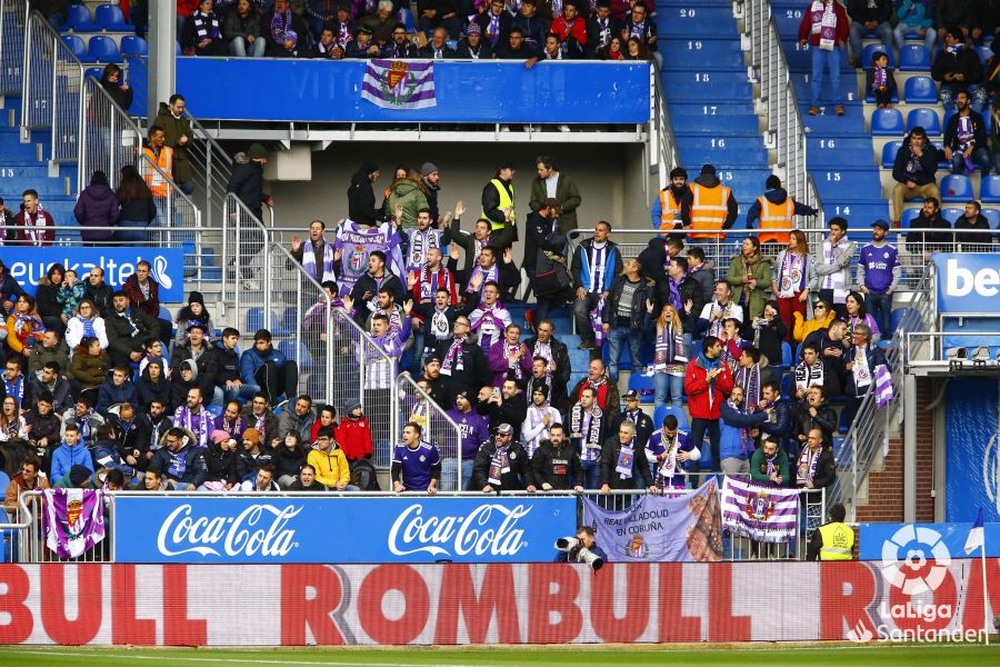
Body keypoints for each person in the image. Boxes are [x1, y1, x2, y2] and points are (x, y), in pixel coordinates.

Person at [684, 336, 734, 474]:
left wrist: (717, 380)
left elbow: (729, 388)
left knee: (717, 451)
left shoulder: (724, 366)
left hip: (717, 415)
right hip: (699, 415)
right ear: (709, 348)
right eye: (718, 346)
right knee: (695, 451)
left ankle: (715, 482)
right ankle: (693, 484)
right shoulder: (693, 365)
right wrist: (706, 381)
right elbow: (688, 389)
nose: (720, 348)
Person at [571, 221, 621, 350]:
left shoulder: (614, 250)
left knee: (607, 315)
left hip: (605, 293)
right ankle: (588, 340)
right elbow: (575, 269)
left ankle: (603, 346)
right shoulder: (583, 247)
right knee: (579, 310)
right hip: (586, 291)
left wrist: (609, 290)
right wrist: (579, 286)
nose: (597, 232)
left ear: (607, 234)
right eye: (596, 229)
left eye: (601, 230)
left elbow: (617, 274)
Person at [227, 143, 270, 290]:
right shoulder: (245, 169)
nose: (266, 161)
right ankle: (246, 275)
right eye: (265, 158)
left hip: (253, 213)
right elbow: (232, 188)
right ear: (259, 157)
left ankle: (238, 264)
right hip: (242, 214)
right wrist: (233, 210)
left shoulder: (255, 171)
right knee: (251, 242)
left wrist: (265, 198)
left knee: (260, 240)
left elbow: (251, 191)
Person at [798, 0, 849, 116]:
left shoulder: (838, 8)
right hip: (817, 46)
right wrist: (803, 37)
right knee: (816, 77)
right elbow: (806, 23)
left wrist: (842, 38)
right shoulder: (812, 7)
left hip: (833, 46)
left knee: (835, 77)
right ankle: (815, 105)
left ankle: (838, 104)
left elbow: (844, 25)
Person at [890, 126, 944, 225]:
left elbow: (932, 170)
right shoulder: (903, 150)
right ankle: (897, 222)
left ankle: (937, 223)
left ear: (924, 140)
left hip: (926, 185)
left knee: (935, 190)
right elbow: (896, 172)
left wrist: (920, 155)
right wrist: (906, 181)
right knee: (898, 189)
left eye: (919, 139)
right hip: (909, 186)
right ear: (910, 138)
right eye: (914, 138)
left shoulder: (931, 150)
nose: (916, 141)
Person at [856, 220, 900, 338]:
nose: (876, 231)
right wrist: (862, 286)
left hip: (885, 293)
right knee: (869, 326)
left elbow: (897, 272)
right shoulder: (866, 249)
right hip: (869, 293)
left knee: (886, 326)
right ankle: (870, 351)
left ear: (885, 233)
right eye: (875, 229)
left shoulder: (891, 250)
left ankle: (888, 352)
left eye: (879, 229)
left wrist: (891, 289)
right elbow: (860, 270)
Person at [746, 175, 819, 246]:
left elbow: (751, 213)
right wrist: (812, 211)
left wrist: (749, 224)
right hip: (785, 242)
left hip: (765, 242)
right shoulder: (789, 202)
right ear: (779, 186)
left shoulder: (761, 201)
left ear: (767, 186)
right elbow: (802, 208)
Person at [772, 229, 818, 342]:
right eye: (790, 238)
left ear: (800, 240)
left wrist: (807, 290)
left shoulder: (808, 258)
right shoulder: (782, 255)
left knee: (798, 324)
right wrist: (774, 288)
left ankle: (798, 350)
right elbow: (774, 271)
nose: (790, 241)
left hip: (799, 295)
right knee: (784, 323)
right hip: (783, 294)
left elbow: (814, 278)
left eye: (793, 238)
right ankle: (785, 349)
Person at [932, 27, 986, 113]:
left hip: (968, 84)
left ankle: (973, 118)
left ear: (957, 39)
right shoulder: (942, 54)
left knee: (981, 95)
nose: (946, 39)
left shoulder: (970, 53)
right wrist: (944, 77)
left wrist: (966, 77)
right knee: (944, 94)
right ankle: (956, 120)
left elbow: (978, 73)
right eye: (946, 36)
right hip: (949, 85)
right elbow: (934, 73)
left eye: (949, 36)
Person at [719, 385, 769, 476]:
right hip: (730, 456)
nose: (736, 397)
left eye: (739, 395)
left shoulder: (743, 412)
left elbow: (746, 419)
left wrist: (750, 434)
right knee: (729, 489)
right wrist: (764, 415)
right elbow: (742, 420)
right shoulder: (725, 408)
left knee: (744, 489)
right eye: (733, 394)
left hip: (744, 457)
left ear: (744, 398)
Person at [239, 328, 298, 404]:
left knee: (291, 364)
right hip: (259, 386)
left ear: (269, 342)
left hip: (275, 386)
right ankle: (272, 402)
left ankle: (291, 402)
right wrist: (258, 393)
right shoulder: (248, 355)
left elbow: (285, 374)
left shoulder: (278, 355)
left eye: (261, 343)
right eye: (257, 343)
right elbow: (248, 376)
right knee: (269, 364)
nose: (258, 346)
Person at [471, 422, 533, 493]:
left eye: (502, 435)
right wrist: (484, 485)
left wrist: (529, 484)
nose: (498, 437)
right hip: (489, 491)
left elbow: (526, 470)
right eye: (497, 434)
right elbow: (479, 469)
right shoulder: (486, 447)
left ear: (510, 437)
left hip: (511, 492)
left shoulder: (518, 448)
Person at [152, 94, 195, 195]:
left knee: (189, 186)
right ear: (171, 105)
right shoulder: (161, 119)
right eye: (178, 107)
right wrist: (177, 142)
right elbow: (158, 140)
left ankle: (172, 198)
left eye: (182, 107)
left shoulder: (183, 121)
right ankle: (171, 200)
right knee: (170, 187)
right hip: (167, 158)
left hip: (181, 160)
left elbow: (191, 139)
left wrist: (186, 140)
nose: (181, 109)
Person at [815, 217, 856, 318]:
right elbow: (819, 269)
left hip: (842, 289)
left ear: (843, 231)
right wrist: (838, 267)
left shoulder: (850, 245)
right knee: (824, 321)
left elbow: (843, 262)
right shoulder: (822, 244)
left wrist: (834, 246)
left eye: (836, 230)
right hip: (825, 288)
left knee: (842, 320)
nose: (833, 232)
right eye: (831, 229)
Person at [648, 302, 687, 409]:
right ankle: (659, 423)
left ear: (675, 313)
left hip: (677, 367)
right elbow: (645, 327)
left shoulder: (681, 326)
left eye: (671, 310)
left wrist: (688, 313)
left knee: (677, 397)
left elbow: (693, 326)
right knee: (660, 397)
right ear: (662, 313)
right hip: (661, 367)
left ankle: (677, 423)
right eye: (665, 310)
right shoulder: (656, 326)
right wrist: (649, 312)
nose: (668, 312)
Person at [599, 419, 655, 494]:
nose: (622, 435)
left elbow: (643, 466)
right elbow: (605, 464)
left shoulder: (637, 445)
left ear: (632, 434)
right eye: (621, 432)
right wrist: (605, 483)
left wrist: (651, 484)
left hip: (627, 488)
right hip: (610, 489)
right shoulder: (610, 443)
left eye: (626, 433)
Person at [944, 90, 991, 178]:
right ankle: (959, 188)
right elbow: (947, 136)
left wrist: (971, 147)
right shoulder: (953, 119)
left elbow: (982, 137)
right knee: (956, 161)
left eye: (962, 98)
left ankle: (985, 185)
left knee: (986, 159)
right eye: (957, 98)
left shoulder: (977, 117)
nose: (959, 101)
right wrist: (947, 147)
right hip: (959, 149)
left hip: (976, 148)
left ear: (968, 101)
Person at [529, 156, 581, 233]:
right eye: (538, 169)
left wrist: (561, 207)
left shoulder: (566, 180)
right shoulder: (537, 182)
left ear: (550, 169)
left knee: (563, 244)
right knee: (545, 244)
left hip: (564, 223)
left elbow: (576, 199)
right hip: (545, 222)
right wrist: (543, 207)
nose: (538, 172)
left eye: (541, 169)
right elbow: (532, 202)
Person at [567, 386, 606, 489]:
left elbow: (606, 435)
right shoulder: (573, 412)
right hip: (578, 458)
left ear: (594, 399)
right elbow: (566, 435)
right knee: (577, 491)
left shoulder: (601, 415)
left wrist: (602, 454)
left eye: (587, 397)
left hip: (595, 459)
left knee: (593, 493)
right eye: (582, 396)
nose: (583, 399)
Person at [727, 236, 772, 322]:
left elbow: (767, 282)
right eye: (743, 244)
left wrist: (756, 282)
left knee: (752, 329)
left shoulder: (763, 262)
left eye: (747, 244)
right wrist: (741, 279)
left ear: (754, 247)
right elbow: (729, 278)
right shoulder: (736, 261)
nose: (744, 246)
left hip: (756, 302)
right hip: (738, 300)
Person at [687, 164, 737, 240]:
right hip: (718, 234)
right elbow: (734, 209)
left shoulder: (693, 188)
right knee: (717, 252)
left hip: (698, 233)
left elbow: (684, 206)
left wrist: (686, 224)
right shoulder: (725, 190)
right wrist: (726, 226)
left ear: (701, 175)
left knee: (699, 252)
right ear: (714, 175)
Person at [531, 424, 583, 492]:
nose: (555, 438)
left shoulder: (570, 450)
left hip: (564, 492)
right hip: (545, 492)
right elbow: (534, 470)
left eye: (558, 435)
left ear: (563, 436)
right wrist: (542, 483)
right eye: (553, 435)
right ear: (549, 435)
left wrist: (578, 484)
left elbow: (578, 470)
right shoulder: (541, 450)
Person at [391, 422, 440, 493]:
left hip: (426, 490)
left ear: (416, 435)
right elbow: (395, 470)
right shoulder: (399, 448)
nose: (404, 435)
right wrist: (397, 485)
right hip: (407, 490)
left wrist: (432, 485)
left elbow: (437, 469)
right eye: (404, 432)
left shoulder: (429, 449)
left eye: (408, 433)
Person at [73, 170, 119, 246]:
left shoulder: (85, 194)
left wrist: (84, 223)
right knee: (103, 256)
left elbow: (79, 212)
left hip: (87, 232)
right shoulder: (111, 195)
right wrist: (108, 224)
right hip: (105, 232)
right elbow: (115, 215)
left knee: (88, 256)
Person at [115, 165, 158, 243]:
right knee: (139, 252)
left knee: (122, 249)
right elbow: (153, 210)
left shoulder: (123, 189)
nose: (120, 178)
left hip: (125, 224)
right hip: (142, 225)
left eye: (121, 176)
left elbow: (113, 208)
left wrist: (117, 220)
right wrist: (145, 220)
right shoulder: (145, 189)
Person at [307, 426, 357, 491]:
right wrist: (335, 483)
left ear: (331, 440)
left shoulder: (339, 453)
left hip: (339, 485)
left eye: (323, 439)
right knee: (325, 489)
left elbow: (345, 471)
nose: (319, 442)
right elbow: (316, 477)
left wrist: (343, 483)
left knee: (356, 490)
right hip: (322, 486)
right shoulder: (312, 454)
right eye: (319, 439)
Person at [847, 0, 892, 68]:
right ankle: (859, 60)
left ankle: (884, 60)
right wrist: (864, 22)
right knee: (853, 30)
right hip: (862, 24)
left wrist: (878, 21)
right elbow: (851, 9)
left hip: (880, 24)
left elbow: (888, 9)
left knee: (888, 31)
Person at [650, 166, 692, 235]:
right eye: (676, 179)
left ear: (685, 180)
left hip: (686, 234)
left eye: (681, 179)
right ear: (671, 180)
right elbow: (655, 214)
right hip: (667, 233)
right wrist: (659, 230)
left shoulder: (691, 193)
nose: (678, 182)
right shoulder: (663, 194)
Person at [5, 295, 45, 363]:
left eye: (24, 302)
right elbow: (11, 338)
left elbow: (41, 335)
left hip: (34, 346)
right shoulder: (12, 318)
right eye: (19, 301)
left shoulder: (36, 317)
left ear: (30, 305)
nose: (21, 304)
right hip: (18, 349)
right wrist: (22, 349)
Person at [481, 160, 517, 234]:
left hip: (506, 229)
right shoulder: (492, 187)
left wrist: (513, 228)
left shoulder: (509, 187)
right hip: (494, 231)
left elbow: (510, 209)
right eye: (511, 169)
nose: (514, 171)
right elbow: (490, 210)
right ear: (502, 171)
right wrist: (505, 218)